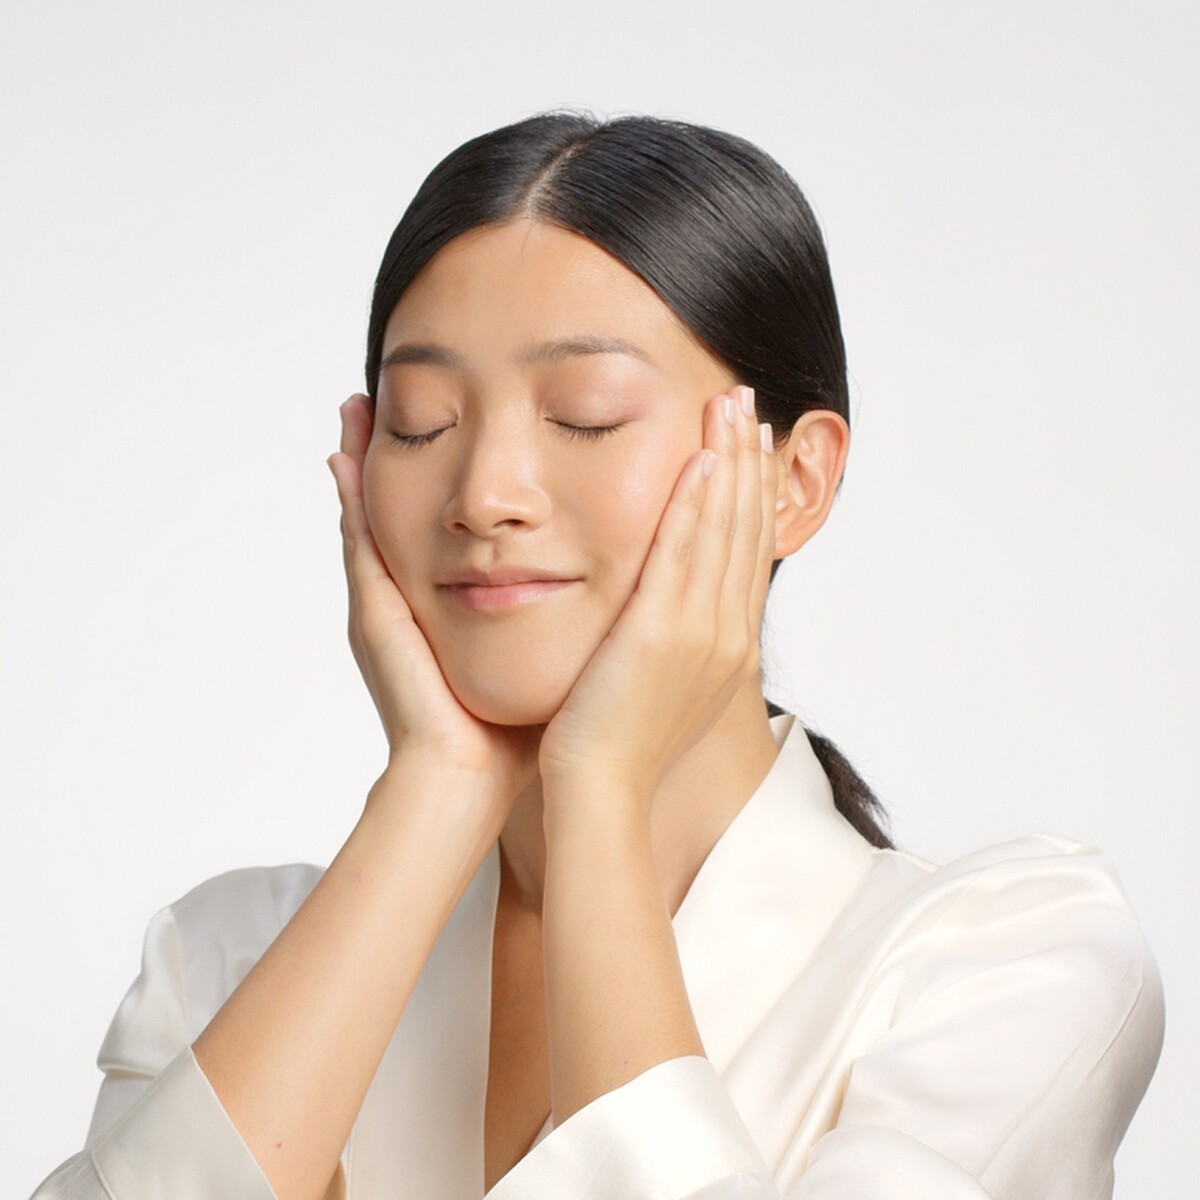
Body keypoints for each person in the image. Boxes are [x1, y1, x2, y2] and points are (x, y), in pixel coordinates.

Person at [32, 112, 1164, 1200]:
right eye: (422, 422)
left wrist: (600, 795)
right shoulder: (228, 959)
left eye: (585, 413)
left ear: (796, 479)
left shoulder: (1003, 966)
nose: (485, 495)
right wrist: (434, 788)